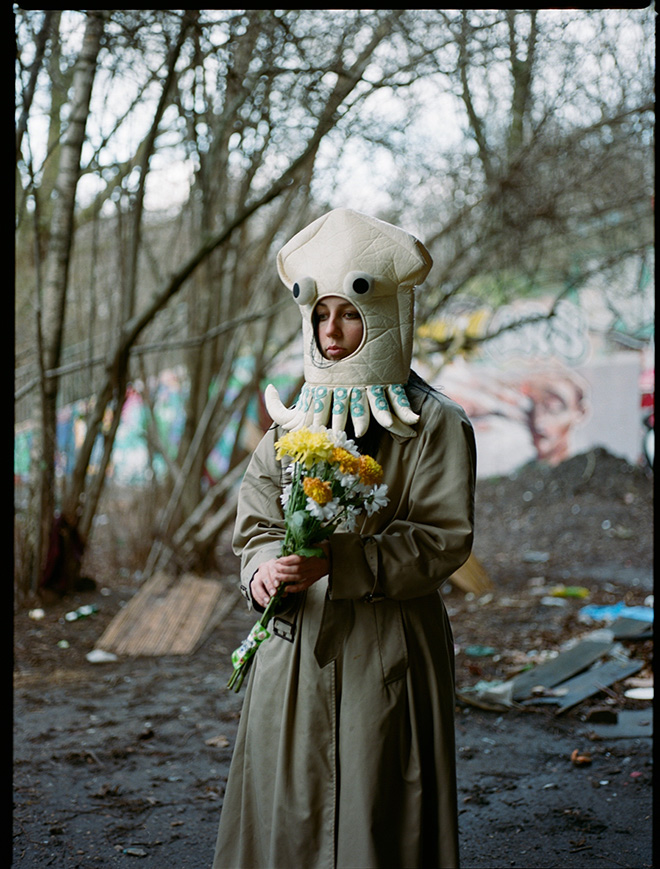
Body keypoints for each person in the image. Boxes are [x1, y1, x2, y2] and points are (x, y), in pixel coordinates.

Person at [213, 208, 476, 869]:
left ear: (384, 314)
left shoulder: (436, 424)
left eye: (350, 313)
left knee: (378, 815)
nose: (332, 331)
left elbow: (443, 538)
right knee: (289, 814)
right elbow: (257, 525)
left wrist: (342, 558)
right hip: (293, 653)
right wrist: (265, 569)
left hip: (387, 651)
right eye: (320, 314)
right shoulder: (291, 422)